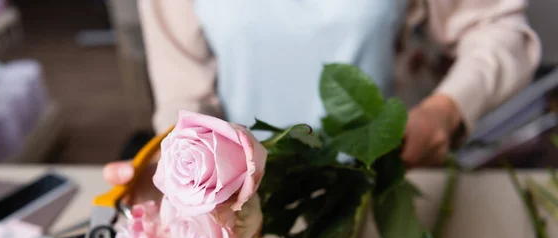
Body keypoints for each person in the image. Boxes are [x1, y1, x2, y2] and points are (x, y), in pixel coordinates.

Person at [104, 0, 541, 186]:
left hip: (391, 177)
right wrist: (169, 173)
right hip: (248, 197)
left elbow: (496, 27)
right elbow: (183, 97)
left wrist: (447, 110)